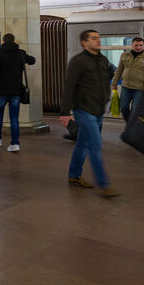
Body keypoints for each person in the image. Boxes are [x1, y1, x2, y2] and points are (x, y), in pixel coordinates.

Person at [59, 30, 118, 197]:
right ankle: (104, 185)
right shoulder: (78, 62)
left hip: (98, 110)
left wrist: (106, 99)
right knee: (95, 144)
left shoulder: (103, 60)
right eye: (94, 38)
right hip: (83, 110)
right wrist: (65, 112)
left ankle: (74, 175)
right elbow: (69, 87)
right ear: (84, 43)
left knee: (82, 144)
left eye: (98, 38)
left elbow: (105, 81)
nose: (98, 40)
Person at [0, 33, 36, 152]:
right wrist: (24, 56)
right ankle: (15, 143)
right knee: (14, 118)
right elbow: (33, 60)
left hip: (1, 91)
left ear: (3, 41)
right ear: (14, 41)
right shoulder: (20, 53)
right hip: (16, 91)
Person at [111, 37, 144, 122]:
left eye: (141, 45)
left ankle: (132, 126)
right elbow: (119, 70)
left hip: (140, 88)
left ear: (143, 45)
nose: (138, 47)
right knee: (123, 108)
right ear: (132, 45)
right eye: (136, 45)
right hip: (126, 86)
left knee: (135, 110)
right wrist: (114, 83)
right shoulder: (124, 55)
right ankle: (130, 124)